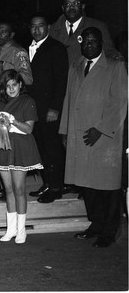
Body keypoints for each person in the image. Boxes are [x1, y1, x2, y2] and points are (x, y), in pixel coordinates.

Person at [60, 27, 127, 248]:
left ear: (101, 43)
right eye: (85, 41)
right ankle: (96, 225)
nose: (89, 45)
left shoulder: (115, 67)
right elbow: (69, 100)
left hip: (105, 139)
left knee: (107, 187)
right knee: (87, 185)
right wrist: (65, 131)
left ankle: (109, 231)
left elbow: (120, 103)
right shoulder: (76, 66)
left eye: (93, 41)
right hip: (80, 135)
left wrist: (101, 129)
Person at [0, 70, 43, 244]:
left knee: (19, 189)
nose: (11, 89)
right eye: (7, 86)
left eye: (14, 85)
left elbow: (29, 129)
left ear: (20, 85)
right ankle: (11, 229)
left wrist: (12, 121)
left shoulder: (28, 101)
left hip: (21, 149)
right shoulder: (0, 102)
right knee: (8, 190)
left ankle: (21, 230)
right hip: (3, 149)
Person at [27, 14, 69, 203]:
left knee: (52, 148)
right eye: (33, 27)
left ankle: (56, 187)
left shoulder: (56, 47)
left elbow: (62, 81)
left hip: (49, 109)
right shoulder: (28, 48)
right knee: (40, 147)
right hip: (34, 109)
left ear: (48, 27)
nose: (37, 30)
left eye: (41, 26)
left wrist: (55, 108)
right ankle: (47, 183)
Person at [48, 0, 121, 63]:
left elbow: (109, 52)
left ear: (83, 6)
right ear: (63, 8)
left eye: (76, 3)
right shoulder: (53, 30)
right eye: (68, 4)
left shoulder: (98, 26)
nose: (71, 7)